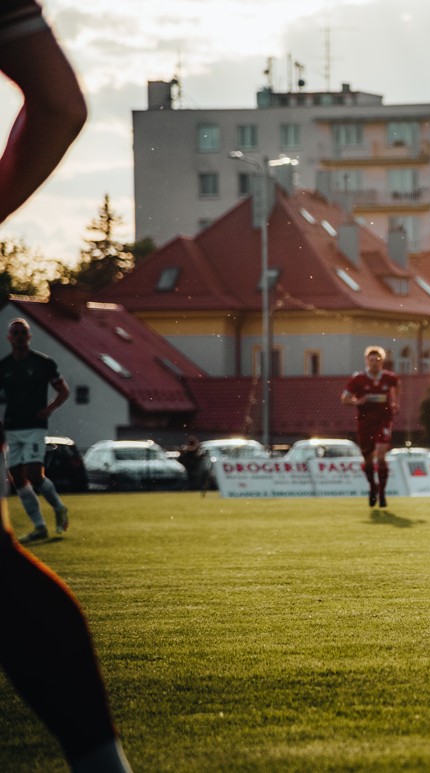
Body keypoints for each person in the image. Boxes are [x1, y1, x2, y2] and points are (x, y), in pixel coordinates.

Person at [0, 2, 133, 770]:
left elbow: (54, 382)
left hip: (26, 420)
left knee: (28, 480)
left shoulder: (35, 362)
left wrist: (49, 404)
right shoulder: (12, 355)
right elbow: (58, 101)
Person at [1, 318, 71, 543]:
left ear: (29, 337)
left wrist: (49, 409)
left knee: (33, 473)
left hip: (34, 427)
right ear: (9, 338)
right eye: (16, 333)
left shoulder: (43, 363)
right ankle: (39, 526)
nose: (20, 336)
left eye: (24, 333)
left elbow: (63, 391)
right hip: (12, 427)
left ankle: (59, 508)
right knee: (18, 479)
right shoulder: (3, 366)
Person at [341, 345, 400, 508]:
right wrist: (357, 401)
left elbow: (396, 389)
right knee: (367, 459)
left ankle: (382, 493)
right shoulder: (358, 379)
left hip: (384, 420)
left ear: (382, 361)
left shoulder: (389, 378)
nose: (374, 363)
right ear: (366, 361)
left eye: (377, 360)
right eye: (371, 360)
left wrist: (395, 403)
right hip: (365, 422)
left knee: (380, 455)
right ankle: (372, 486)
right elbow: (344, 398)